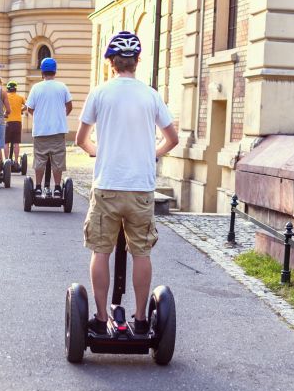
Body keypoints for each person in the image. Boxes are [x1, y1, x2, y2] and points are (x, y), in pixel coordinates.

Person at [75, 31, 179, 336]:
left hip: (108, 185)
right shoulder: (151, 95)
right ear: (137, 62)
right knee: (141, 253)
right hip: (141, 189)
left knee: (100, 250)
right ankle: (141, 318)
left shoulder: (99, 93)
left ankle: (99, 316)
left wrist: (99, 153)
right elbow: (172, 138)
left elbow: (82, 139)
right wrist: (152, 154)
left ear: (111, 63)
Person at [25, 57, 72, 198]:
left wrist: (40, 117)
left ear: (42, 72)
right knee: (58, 160)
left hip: (41, 131)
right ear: (55, 71)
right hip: (58, 131)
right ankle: (57, 188)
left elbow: (29, 108)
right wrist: (60, 116)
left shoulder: (36, 88)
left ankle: (38, 187)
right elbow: (69, 106)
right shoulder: (62, 87)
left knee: (40, 159)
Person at [5, 81, 26, 164]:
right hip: (17, 122)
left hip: (8, 122)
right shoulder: (20, 98)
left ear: (8, 88)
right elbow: (27, 106)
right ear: (16, 89)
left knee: (6, 142)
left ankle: (6, 161)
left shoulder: (5, 97)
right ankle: (16, 162)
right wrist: (21, 110)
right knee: (16, 143)